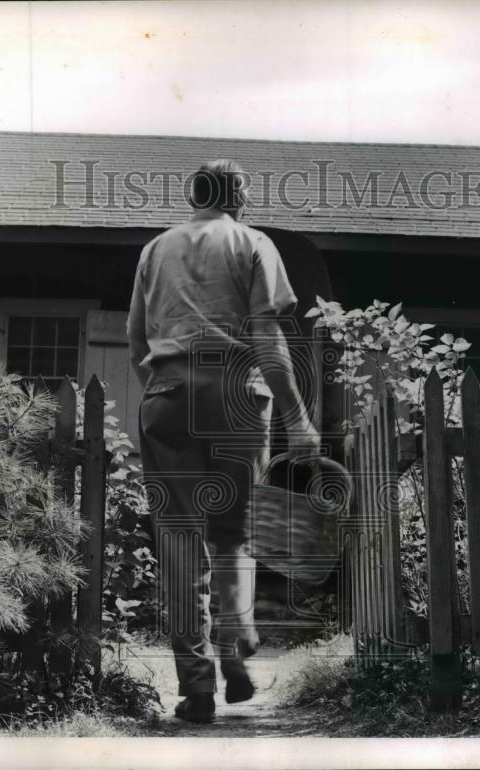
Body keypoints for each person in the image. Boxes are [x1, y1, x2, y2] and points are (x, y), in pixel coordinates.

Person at [127, 159, 320, 723]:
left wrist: (167, 388)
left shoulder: (153, 251)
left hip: (168, 392)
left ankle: (197, 689)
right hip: (239, 397)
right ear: (240, 197)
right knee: (234, 535)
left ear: (194, 197)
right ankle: (236, 648)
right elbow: (267, 334)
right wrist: (297, 417)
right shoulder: (253, 243)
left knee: (181, 540)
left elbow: (135, 337)